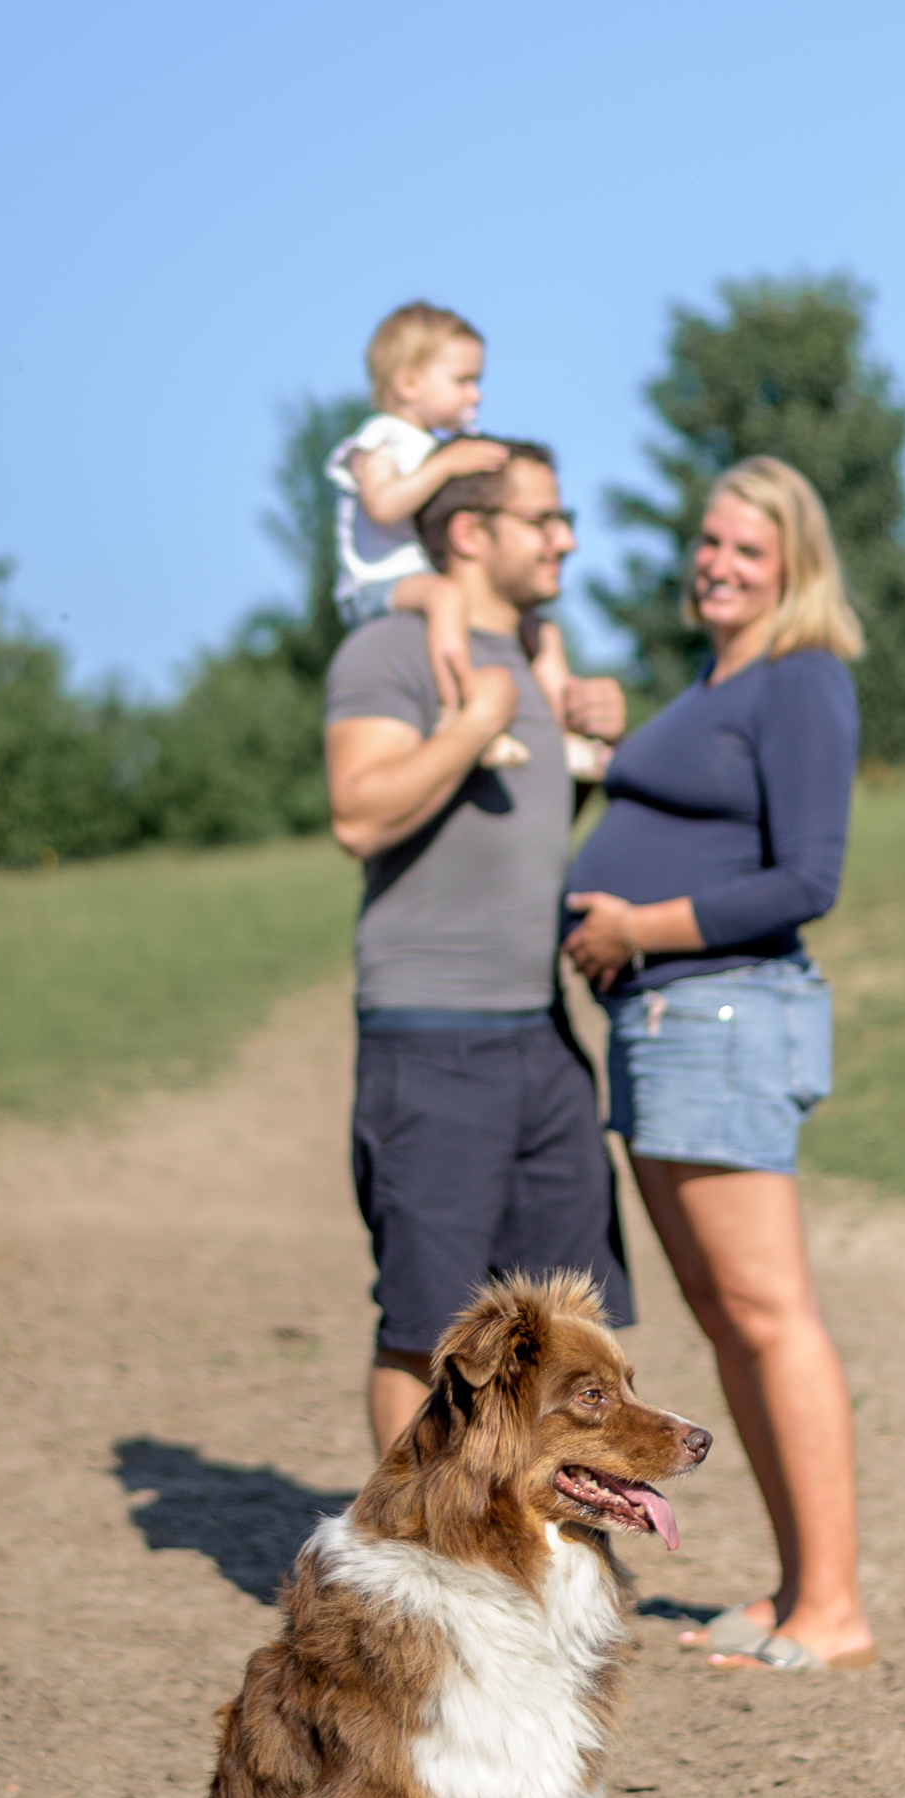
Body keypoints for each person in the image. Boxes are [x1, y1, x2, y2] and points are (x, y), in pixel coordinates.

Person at [562, 457, 874, 1671]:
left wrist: (635, 926)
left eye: (747, 549)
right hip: (664, 1022)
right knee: (723, 1317)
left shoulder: (803, 679)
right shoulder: (719, 678)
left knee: (768, 1312)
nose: (718, 564)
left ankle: (835, 1607)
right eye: (708, 542)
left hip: (722, 1013)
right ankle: (798, 1584)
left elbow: (808, 879)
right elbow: (684, 807)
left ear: (794, 563)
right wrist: (605, 741)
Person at [325, 438, 631, 1453]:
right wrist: (476, 725)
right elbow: (359, 815)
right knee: (432, 1336)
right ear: (469, 532)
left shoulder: (538, 661)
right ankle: (422, 1585)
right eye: (543, 520)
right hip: (429, 1039)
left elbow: (527, 826)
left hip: (542, 1040)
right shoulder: (390, 654)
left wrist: (595, 750)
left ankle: (539, 1584)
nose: (566, 539)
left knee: (568, 1338)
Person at [325, 301, 603, 776]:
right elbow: (383, 505)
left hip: (412, 576)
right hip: (374, 585)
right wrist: (445, 467)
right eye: (462, 381)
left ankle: (564, 738)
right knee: (448, 598)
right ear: (409, 382)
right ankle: (458, 712)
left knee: (541, 628)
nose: (474, 396)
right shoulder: (381, 439)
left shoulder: (429, 445)